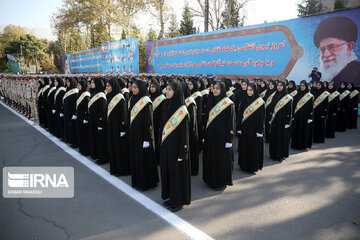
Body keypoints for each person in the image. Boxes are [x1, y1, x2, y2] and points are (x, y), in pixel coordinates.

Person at [160, 80, 191, 212]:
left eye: (170, 89)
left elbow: (184, 134)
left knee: (177, 175)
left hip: (177, 148)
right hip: (167, 146)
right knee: (169, 173)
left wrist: (182, 152)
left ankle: (178, 202)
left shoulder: (182, 111)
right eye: (166, 89)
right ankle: (171, 198)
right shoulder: (166, 104)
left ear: (176, 92)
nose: (167, 92)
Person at [203, 81, 235, 190]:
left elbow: (231, 123)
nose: (215, 90)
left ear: (222, 90)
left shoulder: (228, 104)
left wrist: (229, 140)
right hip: (211, 136)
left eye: (217, 88)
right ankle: (210, 179)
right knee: (211, 158)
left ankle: (220, 182)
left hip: (222, 138)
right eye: (213, 88)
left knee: (220, 160)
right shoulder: (210, 100)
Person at [128, 79, 158, 191]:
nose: (133, 89)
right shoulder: (132, 99)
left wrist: (147, 138)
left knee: (144, 160)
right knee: (136, 158)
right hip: (134, 135)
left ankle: (146, 183)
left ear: (141, 88)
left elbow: (149, 121)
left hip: (143, 136)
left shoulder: (146, 101)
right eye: (132, 87)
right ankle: (137, 181)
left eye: (135, 87)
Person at [314, 16, 360, 87]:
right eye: (322, 49)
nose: (326, 54)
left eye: (332, 47)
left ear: (349, 46)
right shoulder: (329, 81)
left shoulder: (356, 76)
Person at [237, 83, 265, 174]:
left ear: (255, 90)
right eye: (248, 90)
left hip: (254, 130)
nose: (249, 92)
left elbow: (262, 118)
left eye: (251, 90)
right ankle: (243, 165)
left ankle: (251, 167)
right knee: (244, 147)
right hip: (245, 129)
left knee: (253, 148)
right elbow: (240, 114)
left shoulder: (260, 102)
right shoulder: (244, 99)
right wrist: (239, 127)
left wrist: (260, 130)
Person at [106, 78, 130, 176]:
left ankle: (121, 169)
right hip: (111, 127)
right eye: (106, 86)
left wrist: (123, 128)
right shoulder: (109, 96)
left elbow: (123, 114)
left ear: (114, 86)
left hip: (118, 128)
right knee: (113, 147)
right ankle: (114, 168)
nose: (107, 87)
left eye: (108, 86)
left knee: (119, 149)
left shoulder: (120, 98)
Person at [269, 81, 292, 162]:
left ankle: (281, 155)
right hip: (275, 120)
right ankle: (273, 154)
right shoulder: (275, 95)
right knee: (274, 137)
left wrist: (287, 122)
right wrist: (270, 118)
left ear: (284, 86)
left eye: (281, 85)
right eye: (278, 85)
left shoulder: (287, 97)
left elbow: (289, 111)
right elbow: (271, 107)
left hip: (283, 121)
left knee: (281, 138)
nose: (279, 87)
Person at [88, 78, 108, 164]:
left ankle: (103, 158)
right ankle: (97, 155)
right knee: (95, 138)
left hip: (99, 121)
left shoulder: (101, 95)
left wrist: (100, 122)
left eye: (93, 82)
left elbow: (102, 111)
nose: (91, 84)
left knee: (101, 140)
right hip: (93, 120)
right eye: (91, 82)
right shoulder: (93, 93)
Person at [181, 82, 199, 176]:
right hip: (185, 131)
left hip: (190, 132)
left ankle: (193, 170)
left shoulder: (190, 101)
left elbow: (192, 119)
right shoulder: (181, 99)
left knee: (192, 152)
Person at [291, 80, 314, 150]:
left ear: (306, 86)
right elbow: (294, 105)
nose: (302, 87)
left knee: (304, 130)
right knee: (296, 130)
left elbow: (311, 107)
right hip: (297, 115)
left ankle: (303, 145)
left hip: (305, 116)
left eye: (303, 85)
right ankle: (295, 145)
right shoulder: (297, 94)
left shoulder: (309, 96)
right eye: (300, 85)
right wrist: (292, 115)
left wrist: (310, 117)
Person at [149, 80, 166, 164]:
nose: (151, 88)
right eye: (151, 87)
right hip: (151, 123)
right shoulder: (149, 97)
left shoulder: (162, 99)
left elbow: (163, 113)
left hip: (158, 124)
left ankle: (159, 159)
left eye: (153, 87)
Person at [76, 79, 91, 156]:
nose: (78, 86)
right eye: (77, 85)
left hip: (84, 118)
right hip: (79, 116)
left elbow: (87, 108)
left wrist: (86, 118)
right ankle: (82, 149)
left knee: (85, 135)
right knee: (81, 133)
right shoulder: (79, 93)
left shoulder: (86, 95)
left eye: (79, 85)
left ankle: (86, 150)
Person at [63, 77, 79, 147]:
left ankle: (75, 143)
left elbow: (75, 104)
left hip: (72, 112)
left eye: (69, 82)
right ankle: (70, 140)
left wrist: (75, 113)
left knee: (73, 128)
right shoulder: (67, 89)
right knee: (69, 127)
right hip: (67, 111)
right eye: (67, 82)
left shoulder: (75, 91)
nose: (67, 83)